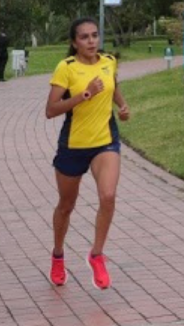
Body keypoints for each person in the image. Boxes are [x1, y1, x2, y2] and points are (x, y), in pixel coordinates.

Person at [44, 17, 131, 289]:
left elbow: (113, 84)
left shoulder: (108, 60)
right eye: (84, 37)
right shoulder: (66, 68)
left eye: (94, 35)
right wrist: (84, 95)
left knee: (108, 196)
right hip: (73, 145)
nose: (91, 41)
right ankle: (58, 255)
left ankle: (97, 255)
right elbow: (51, 110)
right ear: (74, 42)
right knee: (66, 206)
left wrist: (123, 106)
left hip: (105, 141)